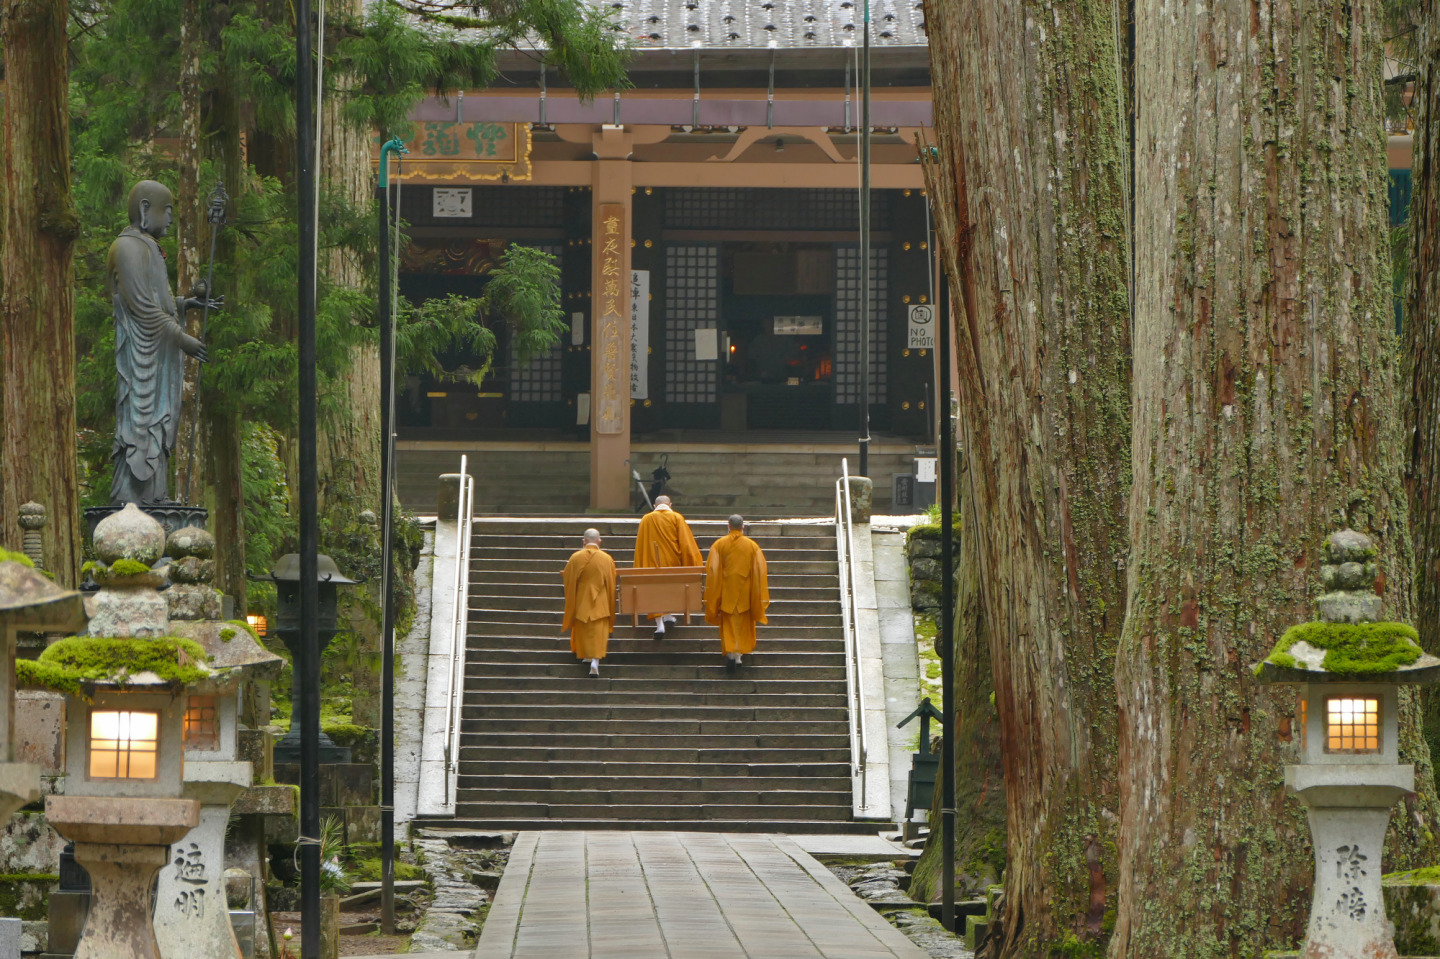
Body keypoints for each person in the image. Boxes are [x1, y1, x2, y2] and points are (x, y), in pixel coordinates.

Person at [108, 179, 215, 506]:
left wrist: (185, 304)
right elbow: (143, 308)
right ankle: (130, 499)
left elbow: (160, 301)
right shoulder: (126, 248)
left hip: (156, 356)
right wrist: (183, 339)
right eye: (166, 211)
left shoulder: (147, 246)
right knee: (139, 427)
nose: (170, 218)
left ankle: (156, 495)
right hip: (140, 358)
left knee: (158, 423)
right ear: (144, 210)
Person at [704, 514, 770, 671]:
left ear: (728, 526)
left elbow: (712, 570)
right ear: (743, 527)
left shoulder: (719, 545)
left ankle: (731, 653)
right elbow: (760, 570)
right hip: (745, 593)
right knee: (743, 624)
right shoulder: (752, 546)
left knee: (729, 624)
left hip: (726, 591)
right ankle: (739, 655)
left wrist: (713, 592)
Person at [633, 494, 703, 639]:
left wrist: (640, 564)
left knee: (655, 589)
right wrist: (694, 562)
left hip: (651, 562)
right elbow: (686, 543)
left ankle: (661, 624)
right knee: (669, 588)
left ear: (654, 506)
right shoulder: (676, 517)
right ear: (670, 505)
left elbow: (640, 545)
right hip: (672, 561)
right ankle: (668, 616)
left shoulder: (646, 519)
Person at [561, 528, 617, 677]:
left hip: (581, 602)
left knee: (584, 631)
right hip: (601, 603)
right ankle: (595, 661)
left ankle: (586, 656)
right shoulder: (606, 559)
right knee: (598, 634)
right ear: (599, 541)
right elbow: (611, 583)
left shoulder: (575, 558)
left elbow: (568, 580)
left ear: (583, 541)